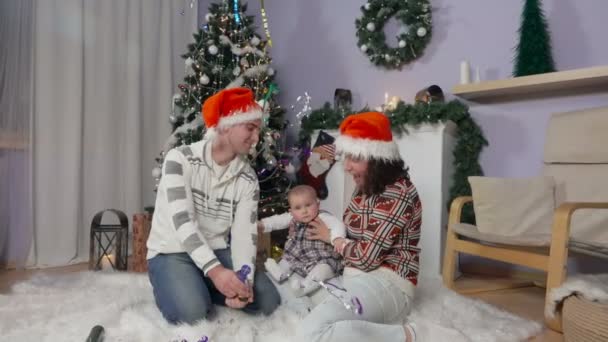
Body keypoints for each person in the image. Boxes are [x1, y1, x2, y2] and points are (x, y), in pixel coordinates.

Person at [146, 87, 280, 325]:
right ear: (227, 125)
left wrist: (243, 281)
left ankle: (204, 285)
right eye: (250, 128)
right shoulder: (180, 158)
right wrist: (217, 273)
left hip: (216, 250)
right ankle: (188, 286)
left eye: (258, 130)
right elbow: (183, 223)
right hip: (172, 251)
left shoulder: (248, 178)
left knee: (268, 300)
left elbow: (243, 235)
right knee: (193, 314)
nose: (257, 138)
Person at [297, 112, 424, 342]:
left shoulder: (399, 193)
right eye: (346, 157)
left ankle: (406, 336)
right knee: (300, 300)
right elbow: (351, 232)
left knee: (311, 332)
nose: (346, 166)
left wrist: (334, 240)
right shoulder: (364, 186)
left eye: (354, 159)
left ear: (376, 158)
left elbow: (367, 258)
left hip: (389, 283)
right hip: (355, 277)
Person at [258, 184, 345, 297]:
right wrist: (263, 225)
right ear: (291, 211)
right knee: (286, 261)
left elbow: (338, 225)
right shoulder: (293, 218)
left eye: (308, 205)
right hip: (297, 256)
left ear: (318, 204)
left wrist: (337, 238)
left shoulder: (323, 217)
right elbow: (278, 220)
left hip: (320, 258)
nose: (304, 211)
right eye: (298, 208)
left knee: (323, 270)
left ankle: (303, 287)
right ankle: (279, 273)